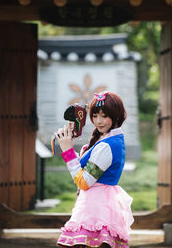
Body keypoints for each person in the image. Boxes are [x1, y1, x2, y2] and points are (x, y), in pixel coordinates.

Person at [54, 91, 134, 248]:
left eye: (104, 116)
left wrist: (68, 152)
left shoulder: (106, 145)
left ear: (116, 115)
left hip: (96, 209)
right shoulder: (107, 139)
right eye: (95, 115)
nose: (98, 121)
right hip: (98, 205)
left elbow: (83, 182)